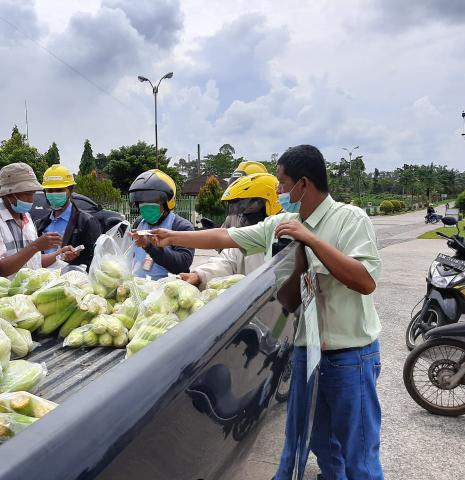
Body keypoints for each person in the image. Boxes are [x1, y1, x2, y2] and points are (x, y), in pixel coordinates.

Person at [148, 145, 383, 479]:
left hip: (350, 355)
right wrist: (171, 236)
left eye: (283, 183)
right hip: (307, 351)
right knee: (316, 441)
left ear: (304, 183)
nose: (279, 191)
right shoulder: (284, 222)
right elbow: (226, 236)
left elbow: (365, 281)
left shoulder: (350, 219)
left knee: (358, 452)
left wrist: (312, 241)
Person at [180, 172, 282, 288]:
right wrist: (199, 275)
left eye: (248, 207)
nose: (243, 213)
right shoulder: (245, 238)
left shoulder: (287, 236)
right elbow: (226, 260)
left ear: (270, 202)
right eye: (240, 208)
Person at [0, 162, 80, 278]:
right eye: (27, 194)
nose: (32, 199)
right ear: (10, 194)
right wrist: (35, 246)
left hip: (28, 294)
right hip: (5, 294)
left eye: (33, 193)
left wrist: (58, 254)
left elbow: (34, 262)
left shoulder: (26, 216)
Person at [127, 169, 194, 280]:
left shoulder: (181, 227)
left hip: (165, 291)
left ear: (168, 201)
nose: (146, 205)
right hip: (138, 288)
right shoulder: (139, 223)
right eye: (142, 201)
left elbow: (182, 265)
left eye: (153, 200)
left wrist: (151, 246)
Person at [35, 164, 102, 269]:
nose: (54, 194)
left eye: (59, 190)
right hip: (45, 282)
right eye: (50, 191)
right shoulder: (40, 224)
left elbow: (96, 260)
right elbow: (34, 259)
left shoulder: (86, 222)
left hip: (75, 282)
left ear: (70, 190)